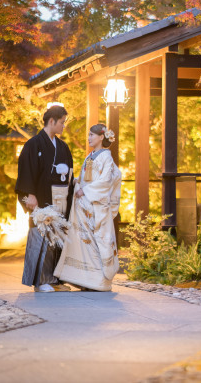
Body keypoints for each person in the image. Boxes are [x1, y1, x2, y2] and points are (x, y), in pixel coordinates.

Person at [54, 123, 122, 291]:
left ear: (101, 137)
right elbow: (85, 179)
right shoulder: (90, 156)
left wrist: (85, 191)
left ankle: (99, 281)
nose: (89, 138)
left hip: (95, 206)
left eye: (92, 135)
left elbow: (105, 181)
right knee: (84, 242)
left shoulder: (106, 157)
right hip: (85, 205)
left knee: (95, 242)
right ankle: (86, 280)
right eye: (89, 135)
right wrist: (77, 183)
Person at [15, 104, 74, 293]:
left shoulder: (63, 147)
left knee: (57, 239)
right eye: (62, 122)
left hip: (59, 200)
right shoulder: (33, 144)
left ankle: (54, 279)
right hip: (40, 198)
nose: (64, 126)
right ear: (52, 121)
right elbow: (26, 172)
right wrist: (29, 194)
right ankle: (40, 281)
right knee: (41, 237)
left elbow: (70, 175)